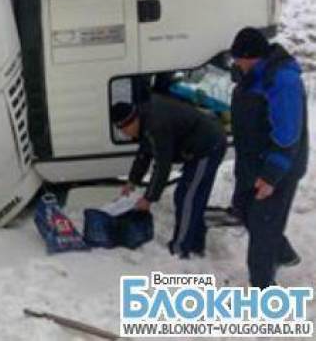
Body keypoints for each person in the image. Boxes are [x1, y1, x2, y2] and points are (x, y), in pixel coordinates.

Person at [229, 27, 309, 288]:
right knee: (242, 207)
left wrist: (271, 176)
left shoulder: (282, 80)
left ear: (251, 57)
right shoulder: (251, 76)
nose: (236, 64)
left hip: (277, 165)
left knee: (263, 229)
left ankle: (263, 291)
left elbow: (287, 135)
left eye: (239, 59)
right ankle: (283, 252)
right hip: (252, 161)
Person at [115, 95, 227, 258]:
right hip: (196, 146)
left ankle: (180, 248)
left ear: (132, 121)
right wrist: (132, 180)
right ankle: (195, 243)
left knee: (187, 198)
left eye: (125, 130)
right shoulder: (145, 119)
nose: (126, 134)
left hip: (207, 146)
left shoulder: (156, 125)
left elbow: (162, 165)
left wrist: (149, 198)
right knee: (190, 197)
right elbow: (144, 153)